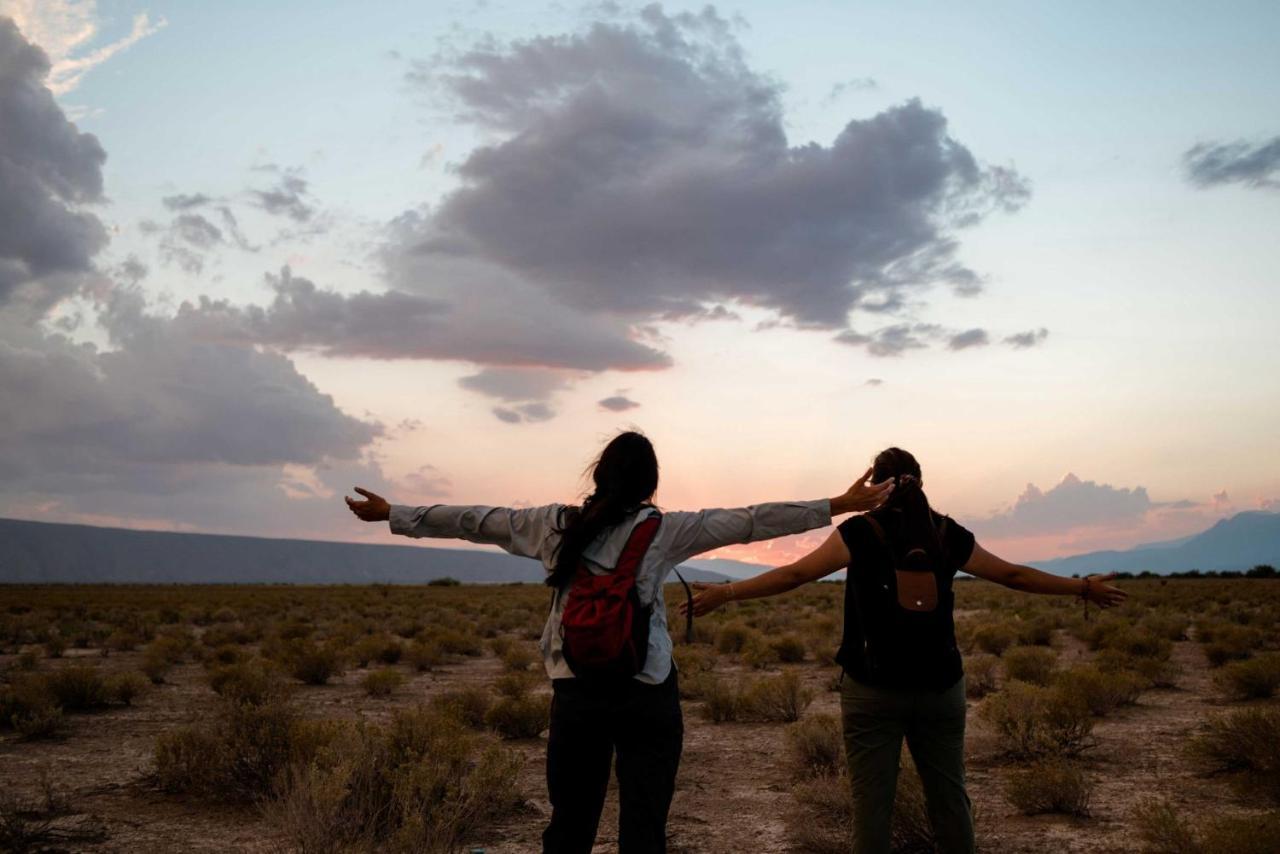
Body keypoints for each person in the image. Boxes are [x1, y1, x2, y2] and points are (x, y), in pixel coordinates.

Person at [344, 430, 895, 854]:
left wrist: (395, 513)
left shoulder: (551, 525)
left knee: (571, 822)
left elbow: (474, 519)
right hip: (645, 689)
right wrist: (839, 504)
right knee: (644, 821)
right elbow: (749, 521)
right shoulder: (666, 530)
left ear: (599, 474)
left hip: (575, 690)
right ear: (650, 482)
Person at [683, 447, 1127, 854]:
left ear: (877, 487)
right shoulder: (948, 533)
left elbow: (793, 577)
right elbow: (1014, 576)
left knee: (872, 808)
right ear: (921, 481)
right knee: (950, 801)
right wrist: (1083, 588)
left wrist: (728, 594)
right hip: (941, 688)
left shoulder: (859, 531)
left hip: (872, 689)